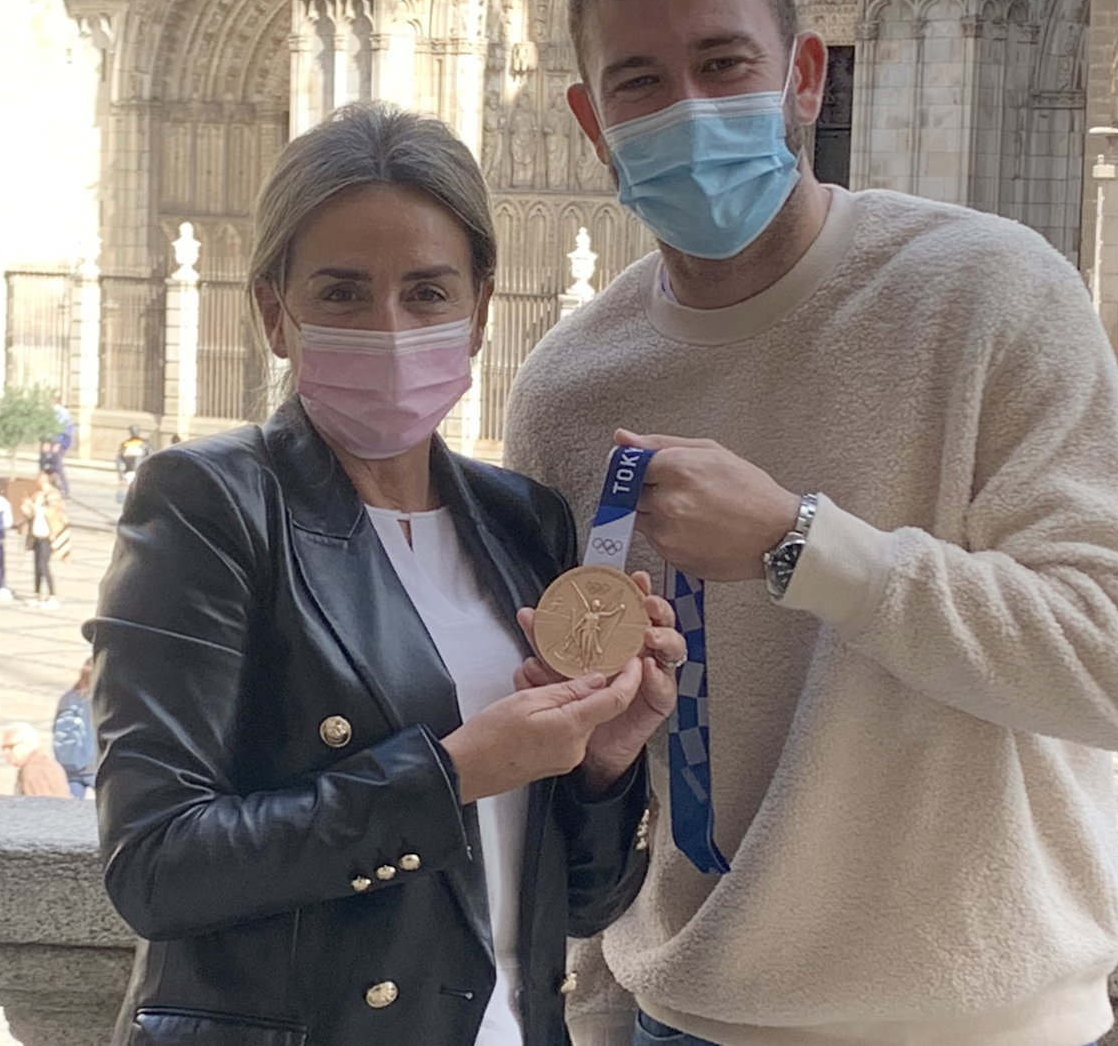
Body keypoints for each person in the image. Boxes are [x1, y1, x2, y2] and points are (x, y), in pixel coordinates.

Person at [507, 0, 1118, 1046]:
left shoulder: (989, 295)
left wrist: (799, 544)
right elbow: (573, 751)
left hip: (972, 1023)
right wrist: (596, 1011)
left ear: (804, 77)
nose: (687, 110)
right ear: (589, 119)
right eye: (640, 83)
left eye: (725, 63)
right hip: (686, 1017)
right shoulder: (568, 391)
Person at [86, 101, 688, 1046]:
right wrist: (451, 774)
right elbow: (156, 866)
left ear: (481, 310)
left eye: (426, 292)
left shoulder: (521, 521)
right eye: (341, 293)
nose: (390, 327)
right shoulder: (212, 504)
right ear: (272, 311)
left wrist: (605, 760)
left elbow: (578, 905)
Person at [20, 470, 70, 609]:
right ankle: (37, 594)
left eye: (40, 478)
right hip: (36, 533)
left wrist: (37, 510)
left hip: (47, 535)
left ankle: (52, 595)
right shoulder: (37, 495)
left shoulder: (53, 494)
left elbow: (55, 513)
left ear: (46, 479)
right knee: (36, 566)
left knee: (44, 565)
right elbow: (30, 514)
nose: (37, 480)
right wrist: (27, 508)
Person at [51, 659, 98, 798]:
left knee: (73, 804)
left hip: (69, 764)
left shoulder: (67, 698)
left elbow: (57, 729)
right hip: (93, 764)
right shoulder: (100, 699)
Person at [2, 723, 71, 797]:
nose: (5, 752)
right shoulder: (42, 763)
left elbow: (41, 805)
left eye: (10, 747)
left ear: (27, 744)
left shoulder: (35, 771)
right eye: (3, 748)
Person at [115, 425, 150, 504]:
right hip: (129, 473)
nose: (135, 432)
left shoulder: (144, 444)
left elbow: (150, 457)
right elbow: (119, 460)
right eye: (133, 430)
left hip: (141, 473)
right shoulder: (125, 444)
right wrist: (120, 475)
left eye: (136, 430)